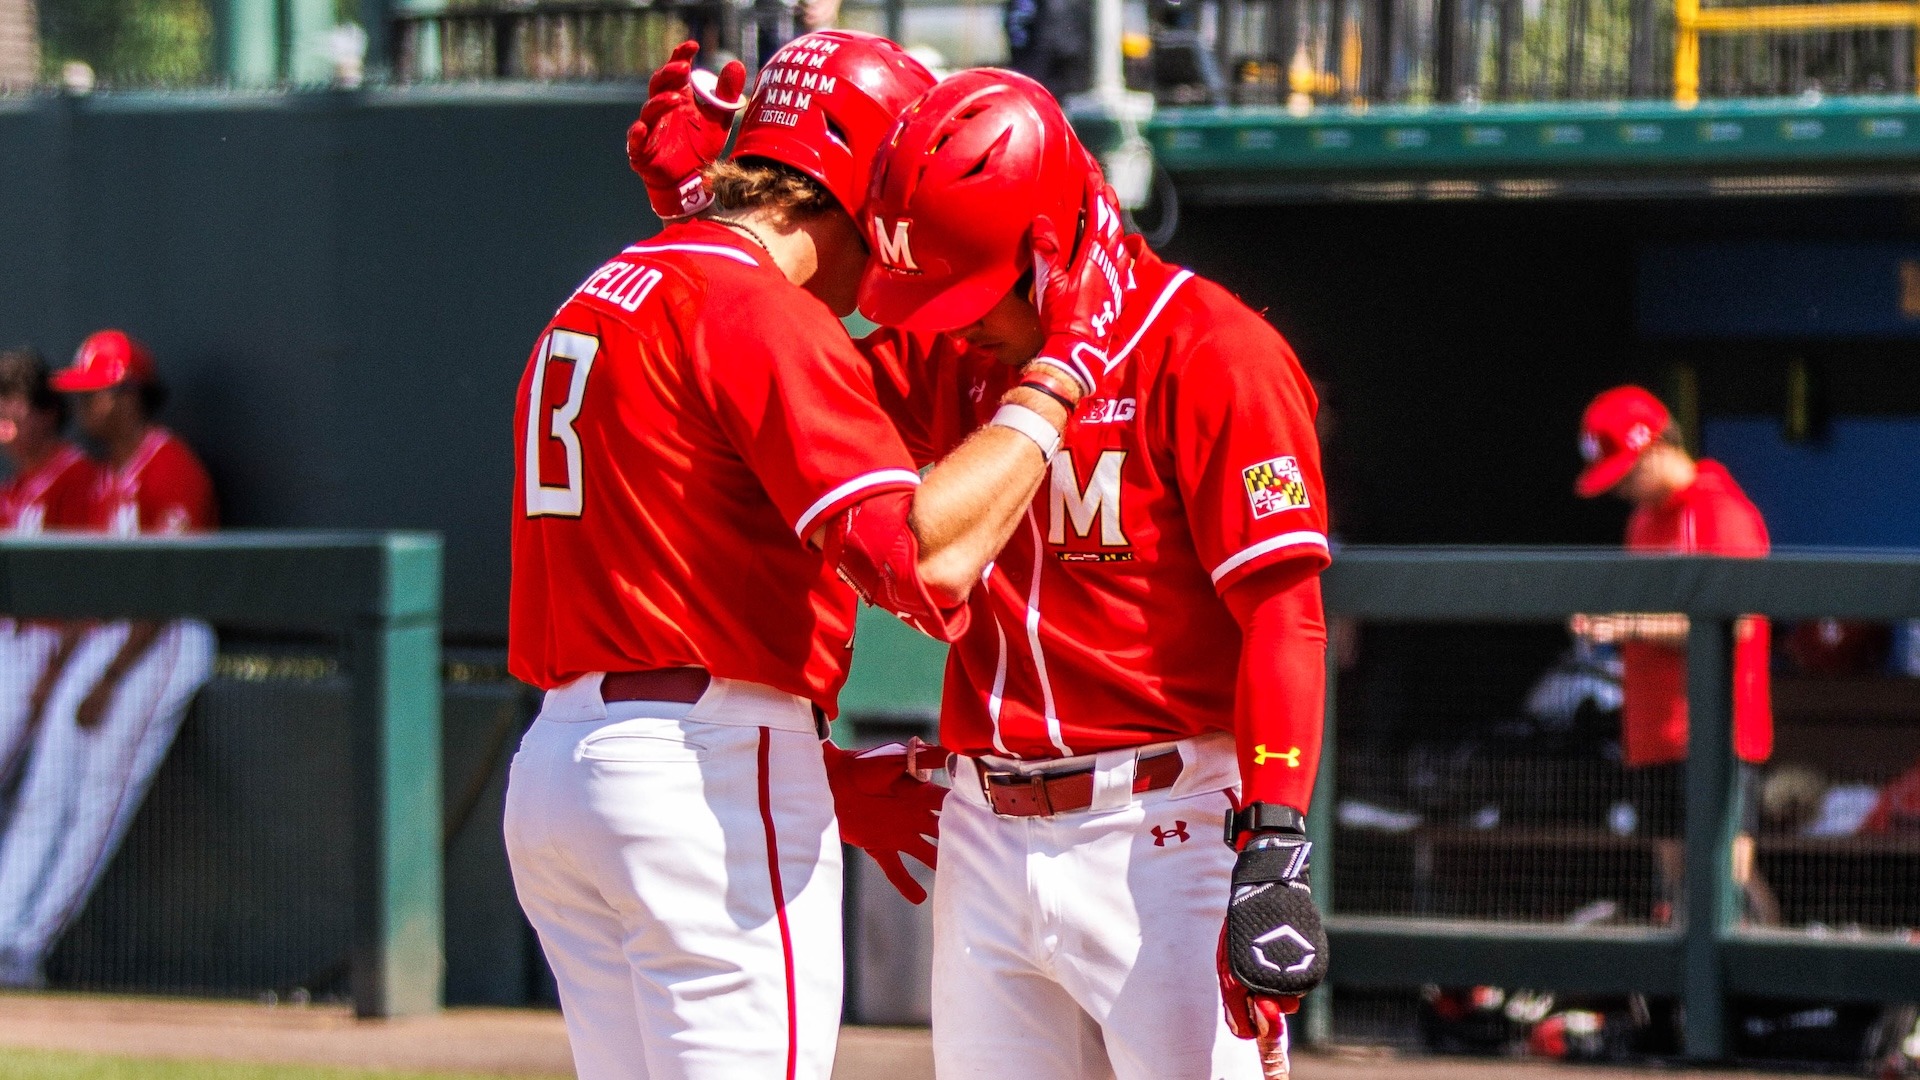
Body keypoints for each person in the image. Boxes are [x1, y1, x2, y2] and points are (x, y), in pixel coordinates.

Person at [630, 62, 1331, 1079]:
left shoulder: (1213, 350)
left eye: (963, 292)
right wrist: (708, 216)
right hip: (987, 829)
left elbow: (1285, 616)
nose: (942, 318)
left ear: (1051, 248)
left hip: (1168, 829)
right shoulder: (955, 356)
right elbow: (774, 369)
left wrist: (1275, 834)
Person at [507, 31, 1129, 1080]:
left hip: (565, 776)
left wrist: (821, 770)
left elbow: (677, 565)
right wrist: (1061, 375)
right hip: (699, 776)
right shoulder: (758, 310)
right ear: (850, 180)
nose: (909, 236)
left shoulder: (607, 286)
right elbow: (926, 567)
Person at [0, 329, 217, 989]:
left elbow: (172, 587)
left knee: (98, 797)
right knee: (44, 794)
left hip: (160, 641)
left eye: (94, 395)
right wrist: (72, 668)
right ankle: (6, 932)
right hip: (102, 641)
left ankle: (26, 947)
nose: (84, 408)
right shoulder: (110, 476)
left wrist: (110, 676)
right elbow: (87, 590)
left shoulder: (169, 463)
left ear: (125, 397)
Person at [1569, 384, 1778, 924]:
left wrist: (1630, 624)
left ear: (1658, 445)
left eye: (1627, 471)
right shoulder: (1642, 519)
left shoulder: (1718, 510)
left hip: (1714, 732)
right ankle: (1693, 1011)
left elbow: (1741, 623)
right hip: (1652, 734)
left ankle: (1777, 1008)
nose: (1621, 489)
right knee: (1682, 894)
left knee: (1726, 887)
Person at [0, 348, 100, 794]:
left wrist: (54, 672)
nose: (4, 418)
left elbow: (90, 586)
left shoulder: (77, 476)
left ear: (46, 412)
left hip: (49, 643)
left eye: (13, 404)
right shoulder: (13, 488)